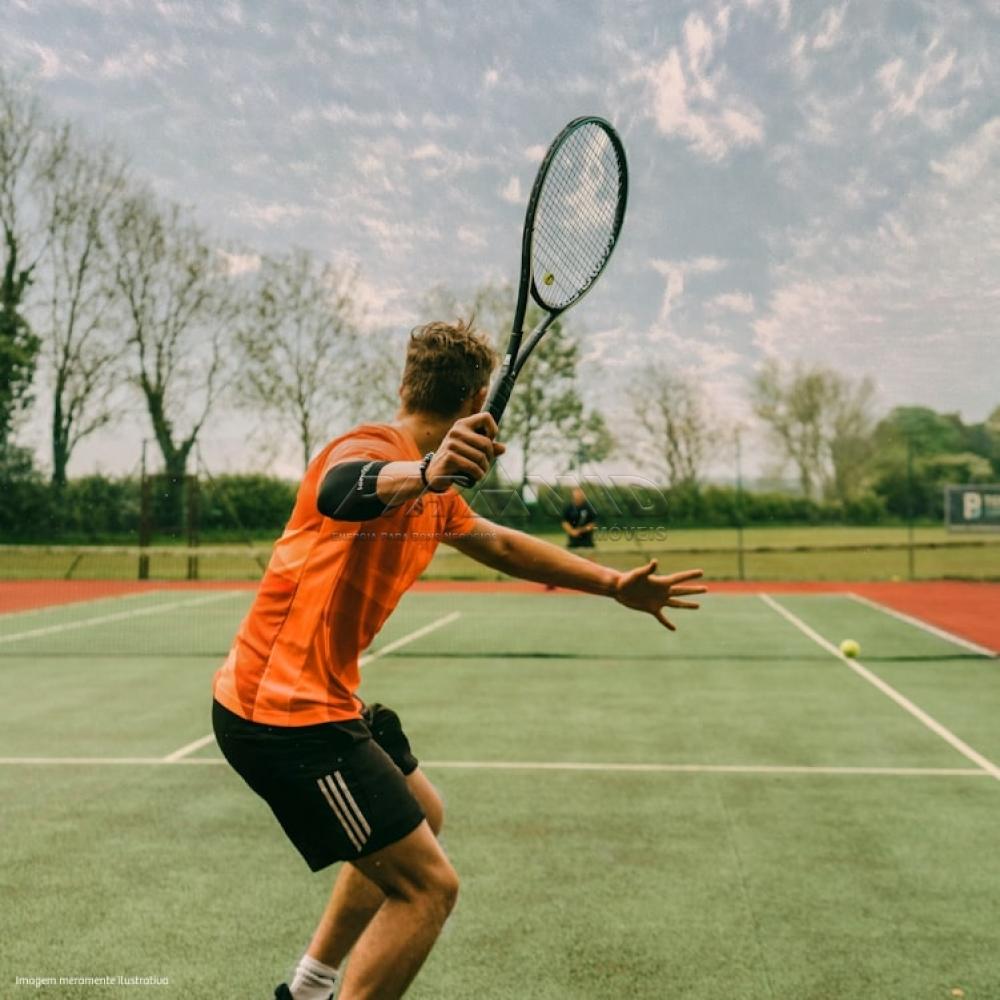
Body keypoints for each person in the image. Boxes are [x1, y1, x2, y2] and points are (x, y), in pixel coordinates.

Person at [211, 318, 706, 1000]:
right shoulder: (370, 450)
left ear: (405, 384)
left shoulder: (437, 496)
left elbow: (501, 545)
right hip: (281, 719)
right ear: (479, 401)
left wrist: (614, 584)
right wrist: (423, 469)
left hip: (312, 699)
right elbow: (340, 488)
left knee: (424, 815)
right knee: (429, 890)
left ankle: (308, 988)